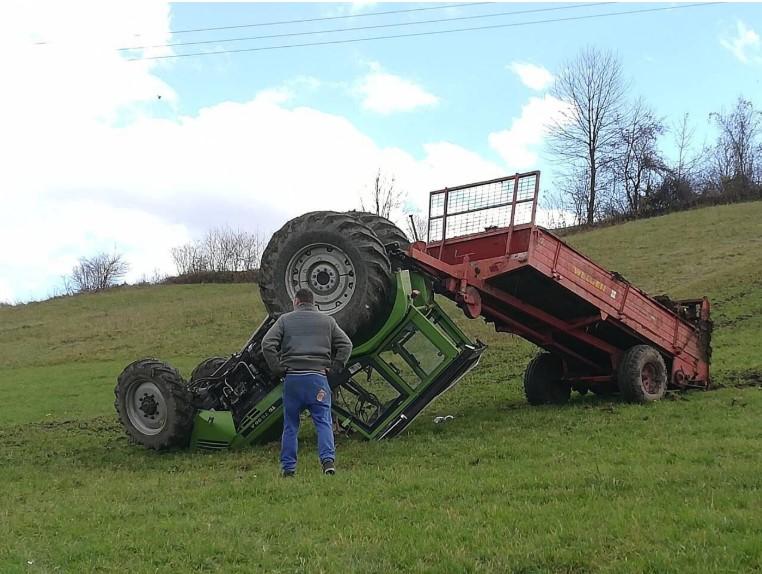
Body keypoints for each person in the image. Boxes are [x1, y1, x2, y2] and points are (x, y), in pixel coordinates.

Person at [261, 288, 353, 477]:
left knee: (291, 425)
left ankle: (289, 469)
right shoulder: (327, 321)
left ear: (296, 301)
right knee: (323, 422)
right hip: (317, 379)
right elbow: (346, 345)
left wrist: (278, 368)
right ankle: (328, 463)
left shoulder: (285, 320)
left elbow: (267, 344)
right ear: (313, 302)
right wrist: (336, 367)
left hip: (293, 379)